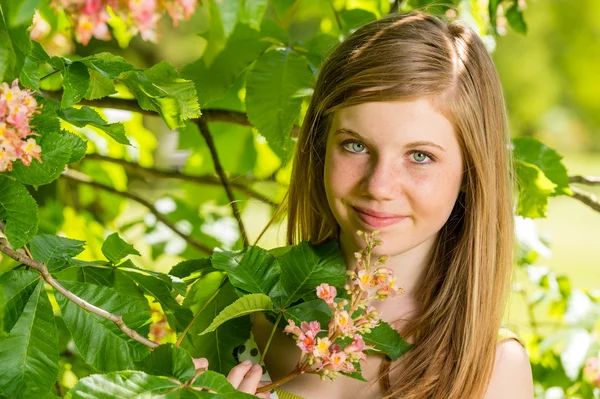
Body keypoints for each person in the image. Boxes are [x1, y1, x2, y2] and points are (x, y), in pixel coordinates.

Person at [194, 11, 534, 399]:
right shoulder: (235, 311)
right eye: (355, 145)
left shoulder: (492, 370)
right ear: (322, 147)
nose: (379, 186)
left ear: (470, 174)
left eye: (420, 156)